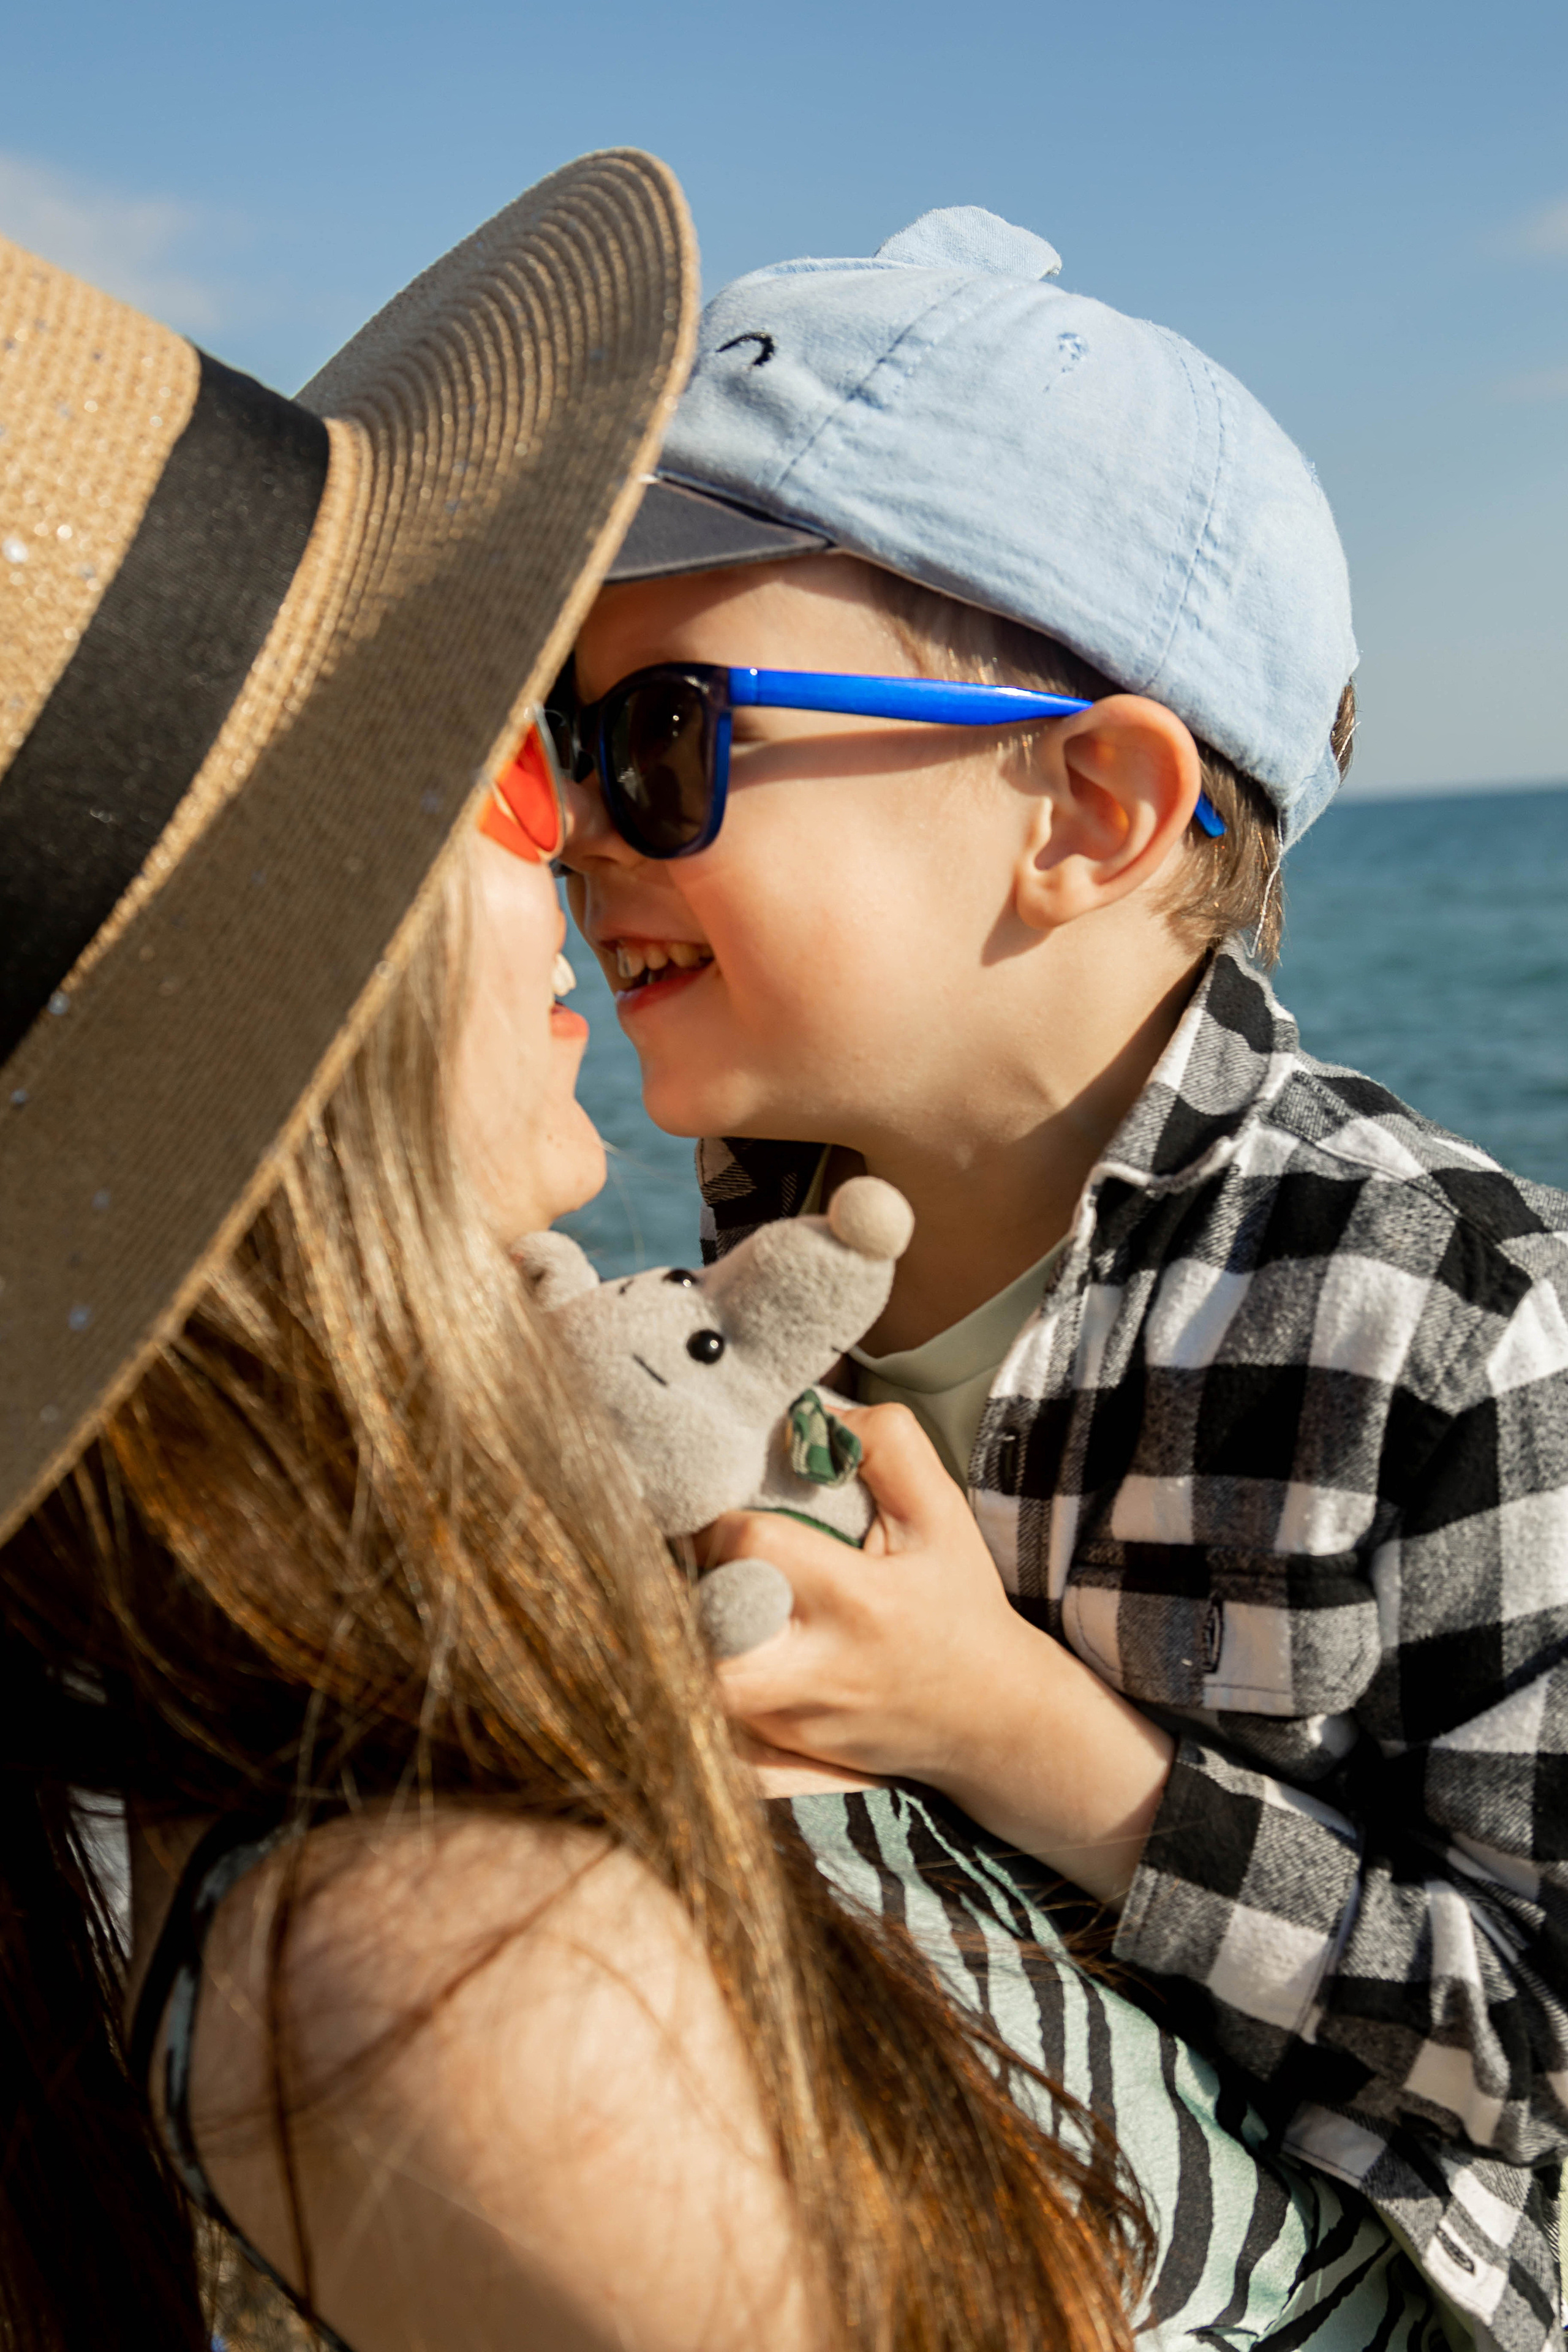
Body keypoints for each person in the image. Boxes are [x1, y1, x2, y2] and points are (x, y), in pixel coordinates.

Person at [0, 169, 1159, 2352]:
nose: (584, 855)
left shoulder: (386, 1704)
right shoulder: (465, 1986)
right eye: (515, 778)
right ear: (282, 989)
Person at [559, 206, 1568, 2352]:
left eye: (660, 736)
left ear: (1092, 809)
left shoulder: (1440, 1306)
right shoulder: (730, 1280)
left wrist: (1033, 1743)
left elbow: (1548, 2045)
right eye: (560, 753)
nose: (576, 834)